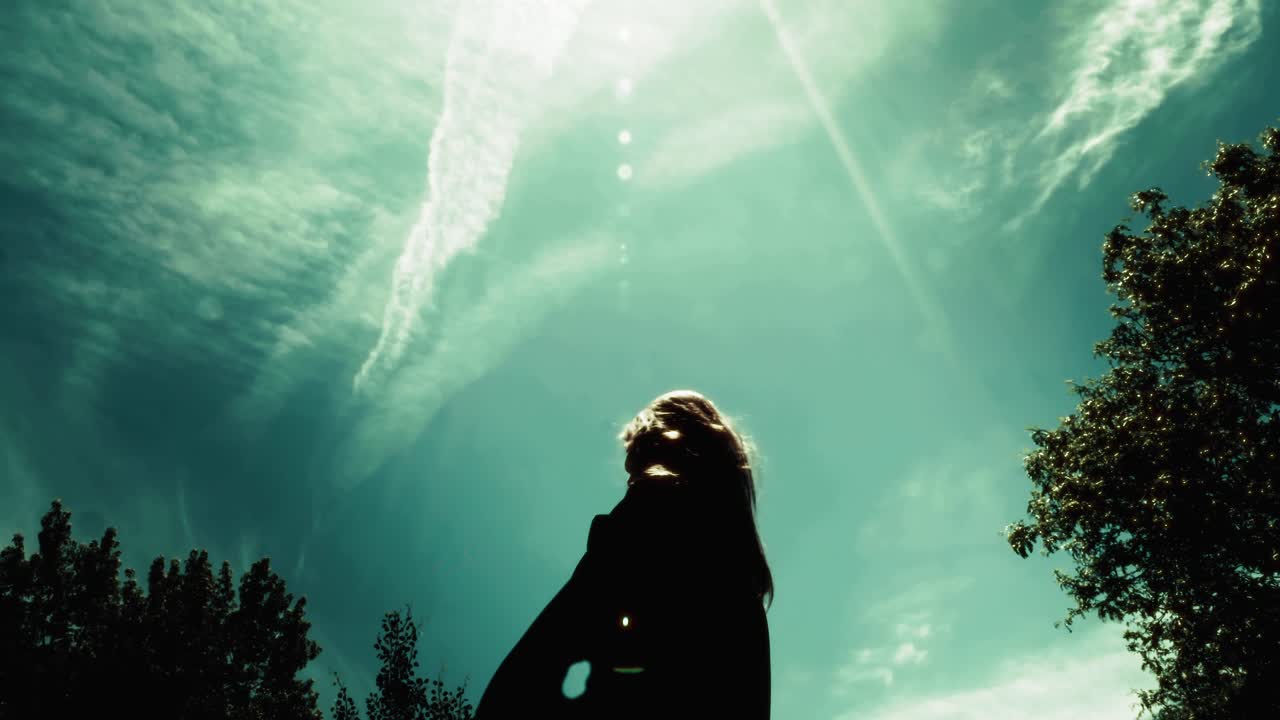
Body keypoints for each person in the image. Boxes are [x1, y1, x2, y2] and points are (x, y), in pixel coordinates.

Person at [474, 390, 773, 719]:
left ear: (664, 444)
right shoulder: (742, 586)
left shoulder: (649, 514)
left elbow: (549, 645)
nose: (630, 471)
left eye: (637, 456)